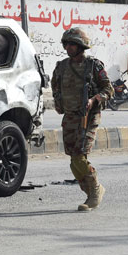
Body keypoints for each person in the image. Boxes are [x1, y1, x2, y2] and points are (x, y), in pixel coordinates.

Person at [51, 28, 113, 212]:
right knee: (73, 160)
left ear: (80, 46)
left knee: (79, 156)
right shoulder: (61, 66)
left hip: (88, 117)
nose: (68, 47)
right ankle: (89, 192)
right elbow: (56, 86)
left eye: (72, 44)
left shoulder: (93, 65)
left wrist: (94, 100)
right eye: (66, 44)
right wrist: (58, 102)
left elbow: (108, 89)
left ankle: (95, 191)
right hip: (69, 117)